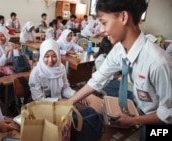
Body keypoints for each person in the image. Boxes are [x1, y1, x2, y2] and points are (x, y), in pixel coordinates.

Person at [68, 0, 172, 140]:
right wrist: (68, 103)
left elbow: (167, 114)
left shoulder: (158, 64)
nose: (102, 30)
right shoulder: (119, 50)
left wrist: (134, 120)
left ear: (123, 17)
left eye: (104, 23)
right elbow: (98, 79)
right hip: (143, 112)